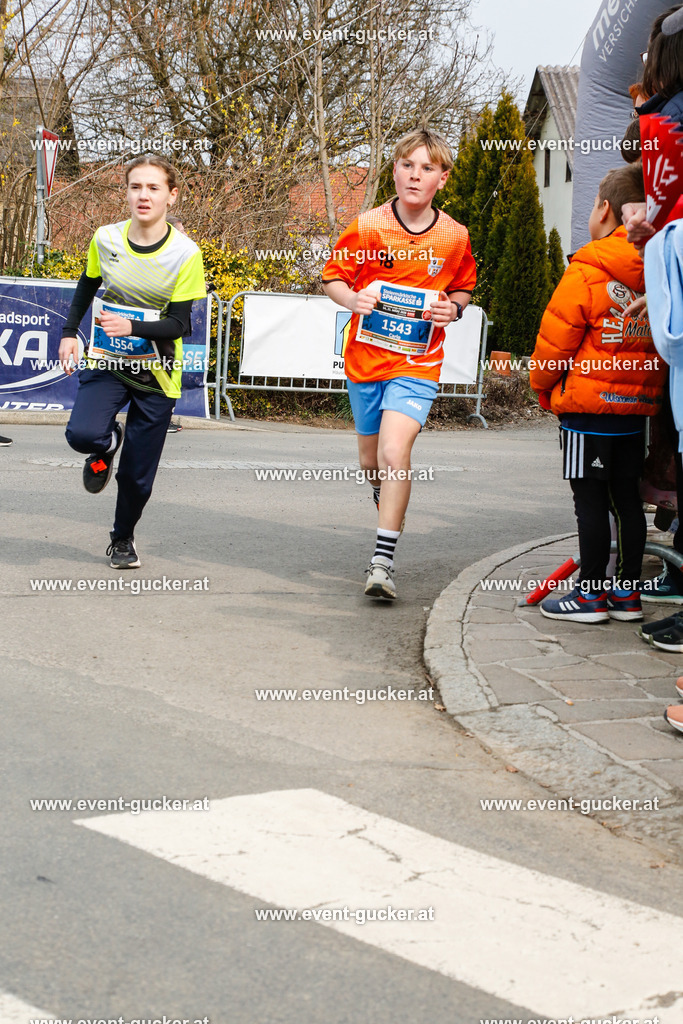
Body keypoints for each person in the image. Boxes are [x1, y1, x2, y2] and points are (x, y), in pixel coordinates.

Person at [322, 128, 476, 600]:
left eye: (427, 167)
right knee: (371, 460)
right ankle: (384, 495)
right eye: (408, 164)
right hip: (367, 361)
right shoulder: (368, 226)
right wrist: (355, 298)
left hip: (418, 362)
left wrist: (456, 307)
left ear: (442, 179)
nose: (415, 175)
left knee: (394, 453)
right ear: (394, 169)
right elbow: (332, 277)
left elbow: (462, 287)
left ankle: (382, 564)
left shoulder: (454, 235)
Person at [530, 163, 666, 623]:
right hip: (635, 414)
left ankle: (589, 595)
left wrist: (542, 388)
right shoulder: (658, 269)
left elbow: (555, 341)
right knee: (626, 500)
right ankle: (627, 597)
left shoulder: (586, 269)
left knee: (589, 499)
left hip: (587, 413)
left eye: (591, 205)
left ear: (605, 210)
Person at [59, 155, 206, 568]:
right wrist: (69, 333)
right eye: (135, 187)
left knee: (138, 477)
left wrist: (134, 327)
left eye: (154, 188)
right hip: (108, 359)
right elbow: (87, 285)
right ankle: (105, 445)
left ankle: (122, 538)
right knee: (82, 435)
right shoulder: (105, 238)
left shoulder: (184, 253)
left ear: (171, 196)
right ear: (126, 192)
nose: (144, 195)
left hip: (158, 371)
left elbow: (178, 325)